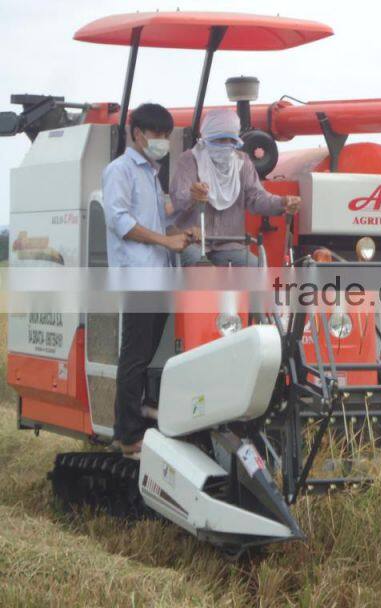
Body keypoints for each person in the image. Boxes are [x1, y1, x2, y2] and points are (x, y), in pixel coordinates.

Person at [102, 103, 191, 458]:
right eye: (158, 135)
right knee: (135, 356)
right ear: (137, 133)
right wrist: (165, 240)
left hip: (159, 274)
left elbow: (158, 221)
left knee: (145, 355)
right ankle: (128, 437)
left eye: (167, 135)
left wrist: (181, 231)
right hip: (138, 275)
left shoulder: (150, 173)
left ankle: (130, 425)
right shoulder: (119, 171)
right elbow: (119, 221)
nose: (164, 141)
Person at [170, 109, 301, 266]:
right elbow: (178, 198)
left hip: (229, 244)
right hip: (191, 241)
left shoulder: (242, 162)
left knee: (256, 268)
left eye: (231, 140)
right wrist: (193, 195)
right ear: (206, 139)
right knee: (204, 271)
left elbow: (256, 198)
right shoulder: (189, 160)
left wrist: (282, 202)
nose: (226, 145)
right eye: (219, 140)